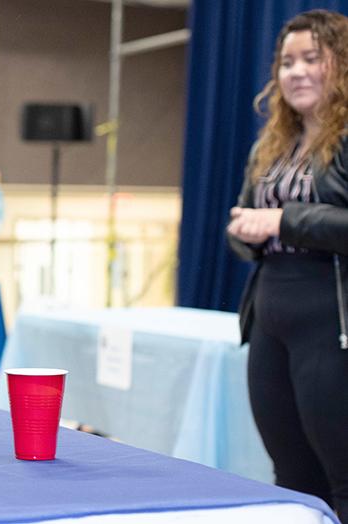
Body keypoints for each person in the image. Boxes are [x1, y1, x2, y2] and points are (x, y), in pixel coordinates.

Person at [227, 9, 348, 518]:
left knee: (342, 474)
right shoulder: (273, 144)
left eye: (311, 59)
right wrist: (246, 232)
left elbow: (295, 220)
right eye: (286, 62)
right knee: (290, 475)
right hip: (271, 317)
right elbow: (248, 221)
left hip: (330, 320)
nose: (295, 72)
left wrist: (282, 221)